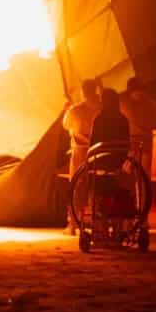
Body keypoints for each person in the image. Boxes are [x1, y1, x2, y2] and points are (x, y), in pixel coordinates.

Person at [62, 79, 101, 231]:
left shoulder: (75, 110)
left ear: (83, 91)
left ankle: (73, 223)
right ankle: (97, 221)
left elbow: (66, 125)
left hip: (80, 151)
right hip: (99, 152)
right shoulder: (104, 108)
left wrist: (67, 109)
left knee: (77, 186)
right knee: (96, 186)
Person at [119, 76, 156, 170]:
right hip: (141, 141)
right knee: (142, 171)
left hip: (138, 140)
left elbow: (154, 122)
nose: (138, 96)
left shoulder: (125, 104)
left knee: (137, 169)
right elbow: (155, 122)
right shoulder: (150, 103)